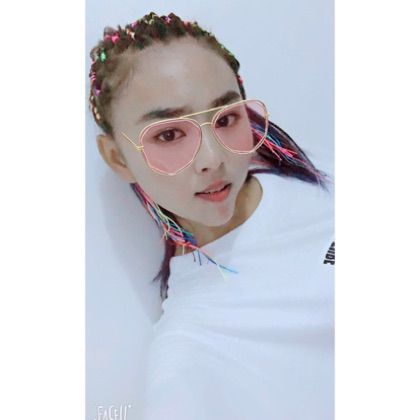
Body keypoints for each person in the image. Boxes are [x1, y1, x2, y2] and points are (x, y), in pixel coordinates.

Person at [88, 12, 335, 420]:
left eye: (225, 118)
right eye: (169, 134)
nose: (213, 158)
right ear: (117, 158)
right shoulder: (194, 346)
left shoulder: (310, 168)